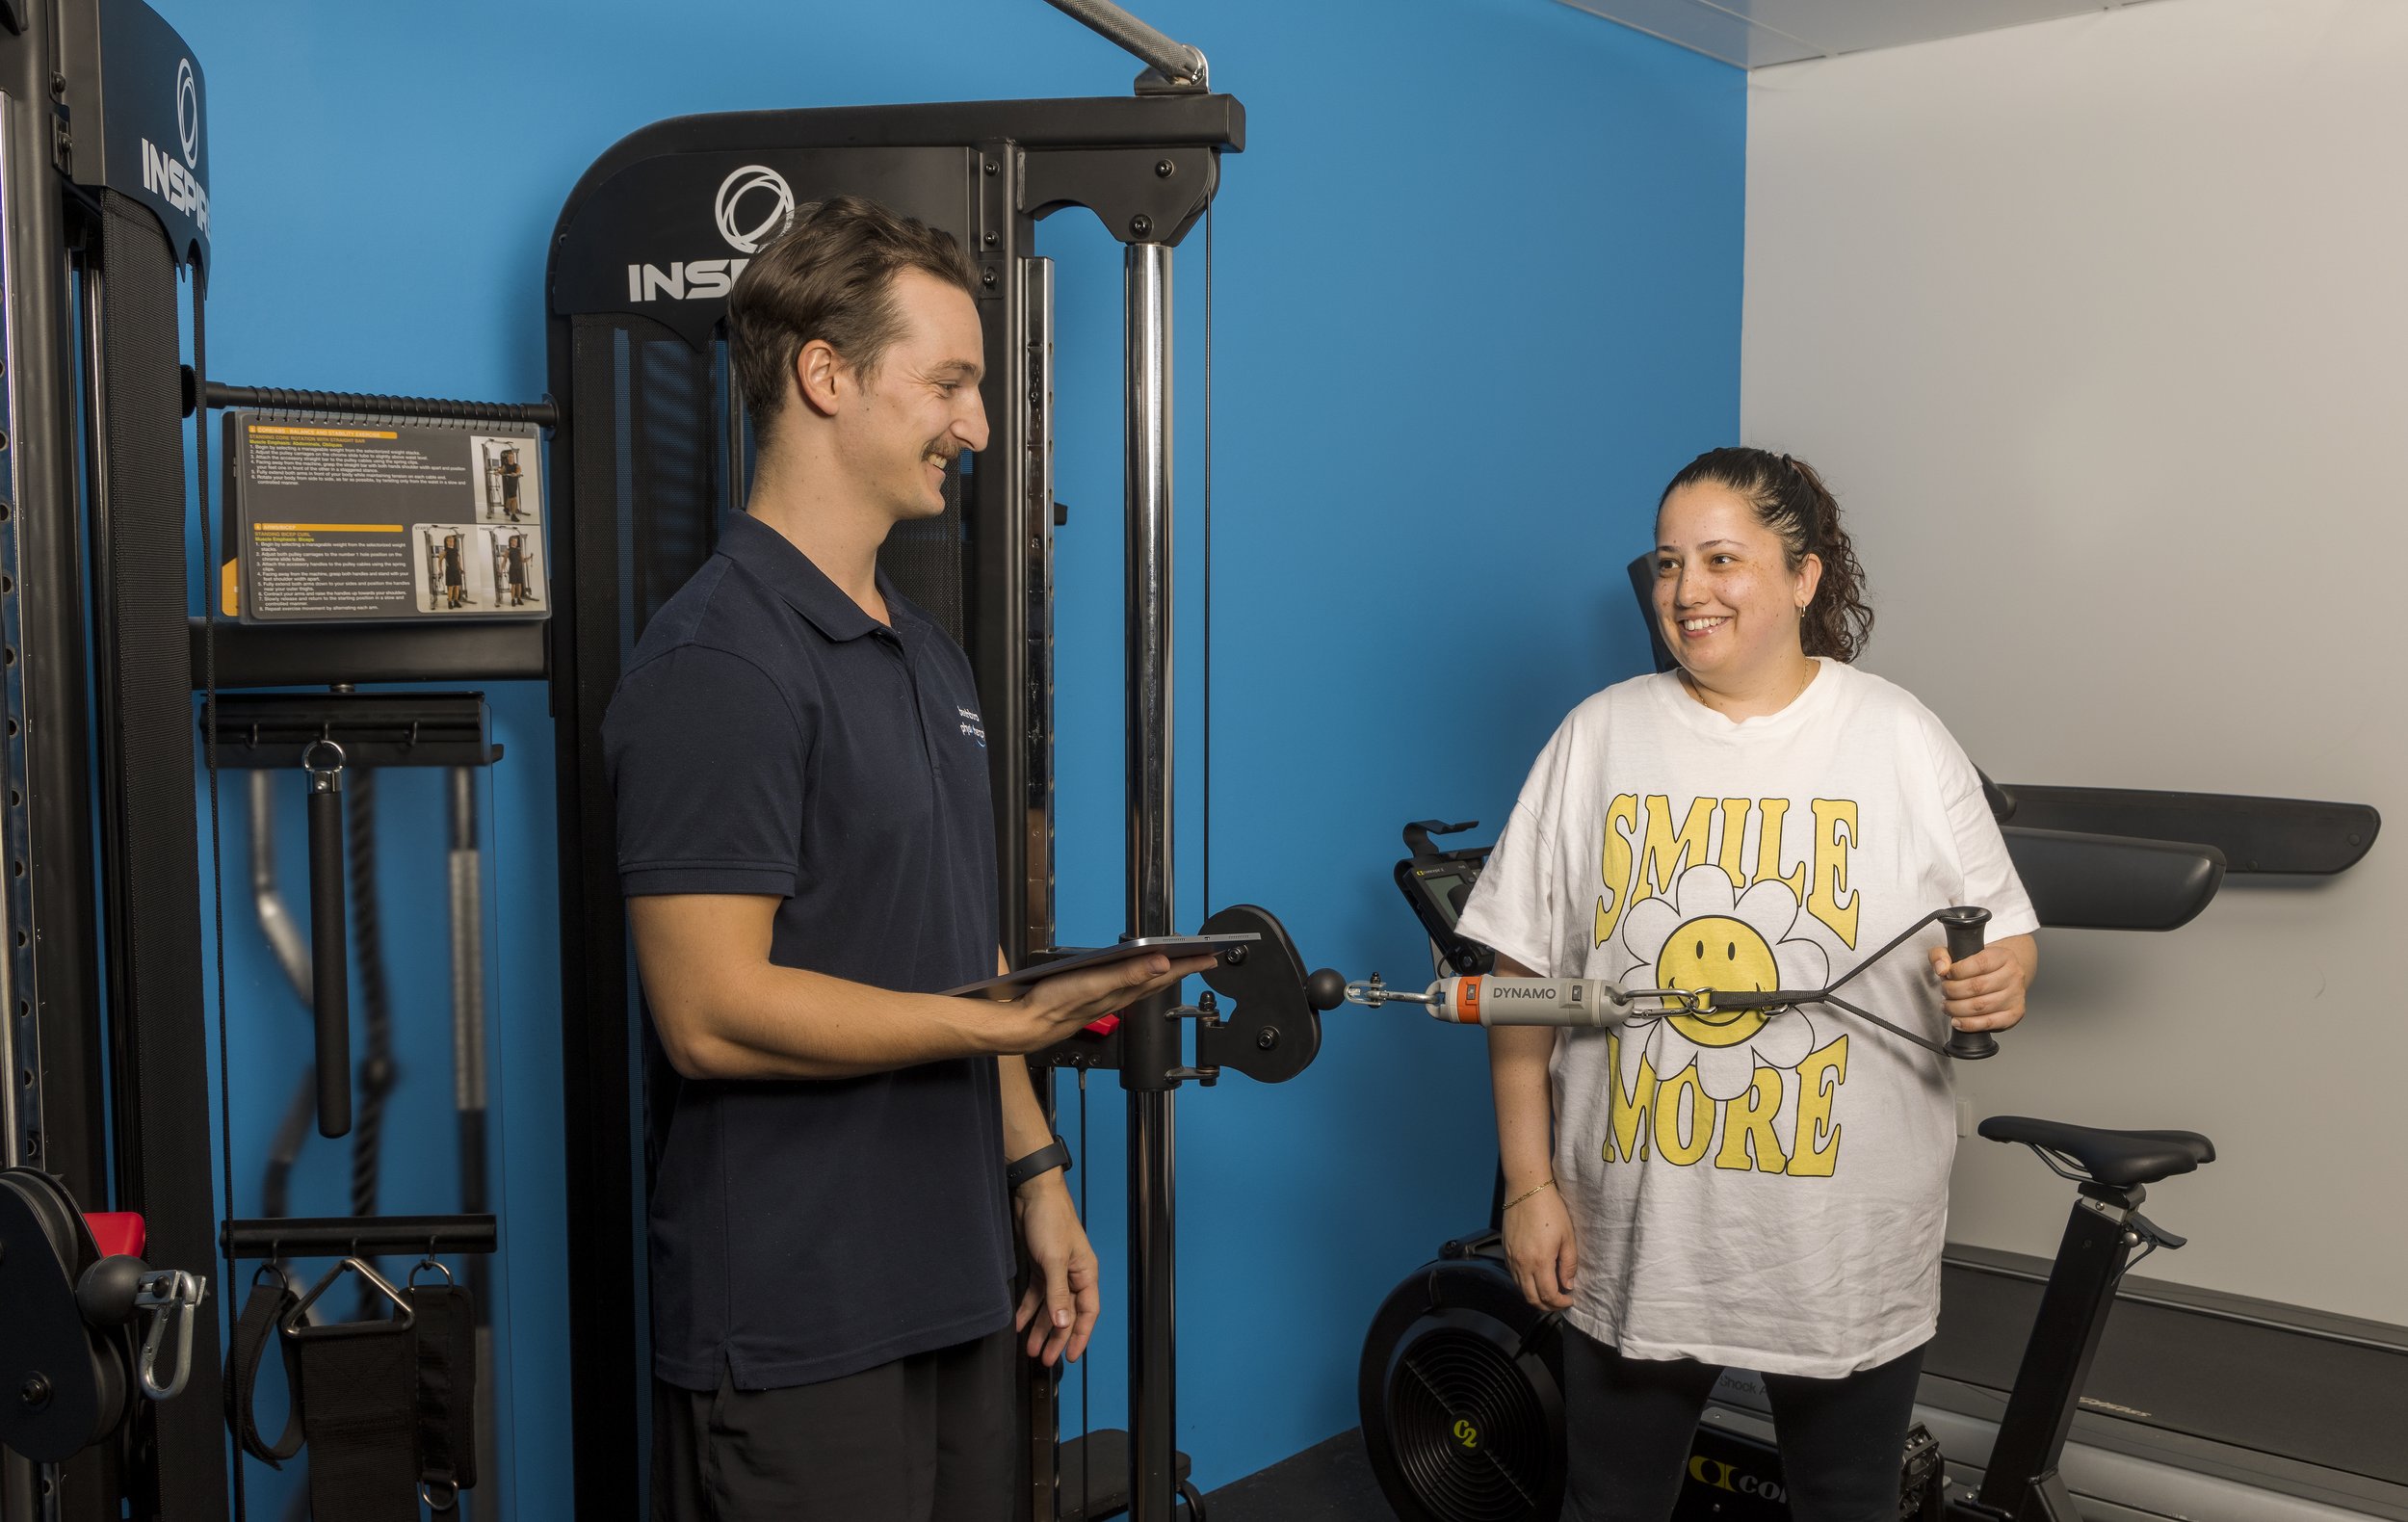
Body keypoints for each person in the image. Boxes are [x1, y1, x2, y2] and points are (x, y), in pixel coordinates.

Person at [603, 196, 1213, 1522]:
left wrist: (1035, 1170)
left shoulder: (925, 654)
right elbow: (709, 1014)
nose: (979, 425)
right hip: (794, 1320)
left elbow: (955, 940)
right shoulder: (720, 663)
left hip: (950, 1279)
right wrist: (992, 1021)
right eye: (950, 382)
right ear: (826, 374)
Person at [1454, 447, 2039, 1522]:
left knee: (1846, 1501)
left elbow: (1999, 931)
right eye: (1670, 561)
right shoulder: (1598, 737)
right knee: (1608, 1501)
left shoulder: (1898, 736)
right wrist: (1529, 1186)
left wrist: (2001, 975)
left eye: (1723, 557)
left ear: (1804, 576)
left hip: (1843, 1241)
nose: (1688, 589)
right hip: (1635, 1230)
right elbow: (1518, 981)